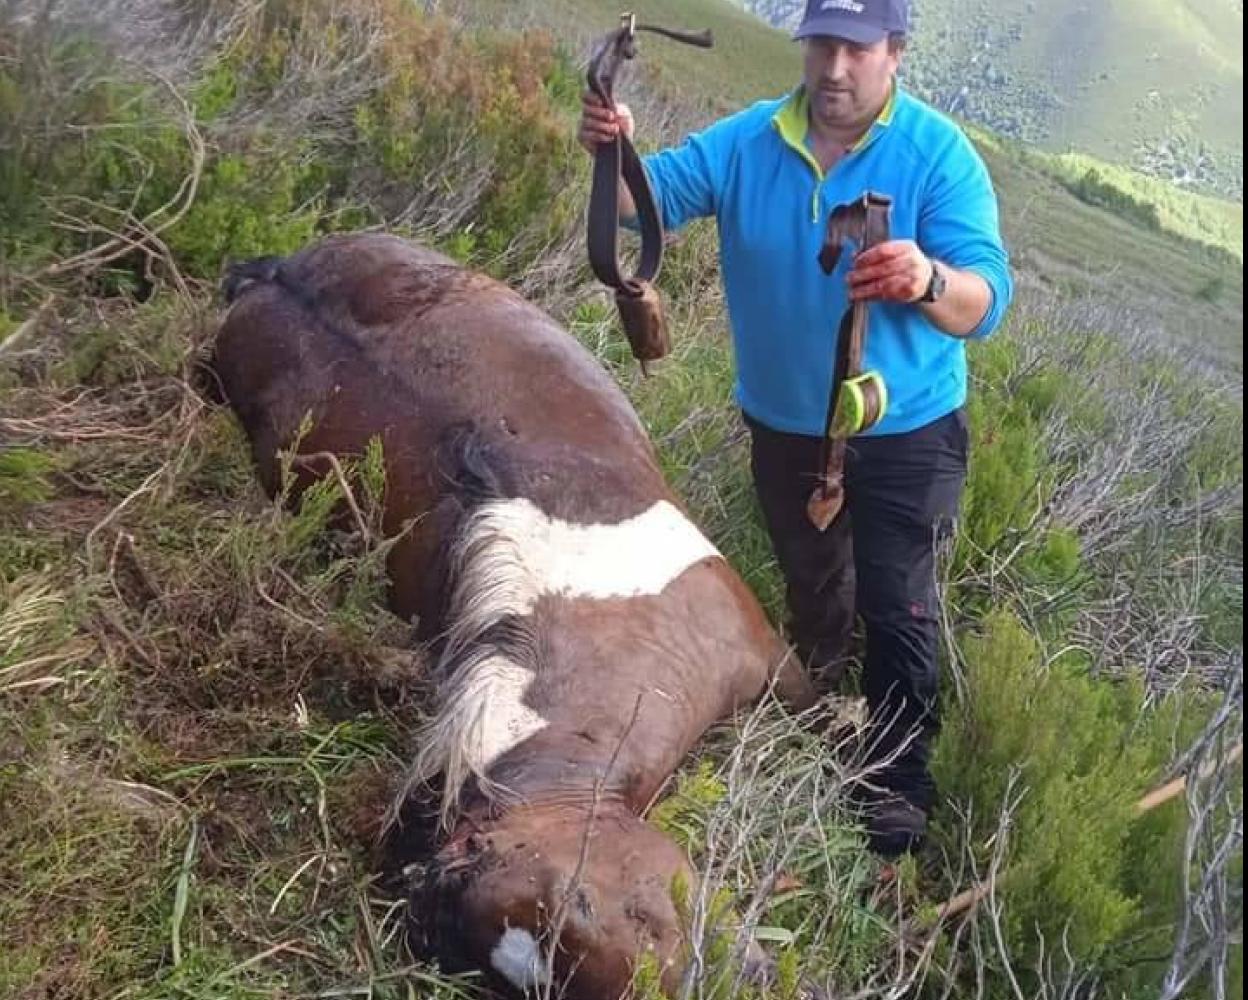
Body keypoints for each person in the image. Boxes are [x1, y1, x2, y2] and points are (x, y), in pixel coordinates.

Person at [578, 0, 1014, 856]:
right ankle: (821, 701)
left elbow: (984, 302)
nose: (836, 69)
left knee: (901, 606)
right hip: (785, 427)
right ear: (806, 46)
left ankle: (895, 778)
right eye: (823, 45)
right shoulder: (749, 141)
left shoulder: (938, 155)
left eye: (857, 49)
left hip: (907, 430)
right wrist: (614, 149)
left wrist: (927, 278)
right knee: (815, 590)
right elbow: (646, 204)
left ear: (894, 53)